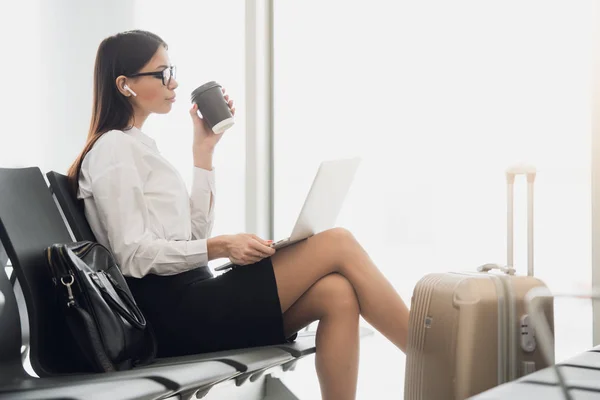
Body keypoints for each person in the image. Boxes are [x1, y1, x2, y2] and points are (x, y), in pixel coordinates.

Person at [68, 30, 410, 400]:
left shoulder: (139, 147)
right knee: (337, 242)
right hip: (173, 315)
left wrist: (204, 151)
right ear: (125, 85)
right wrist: (220, 247)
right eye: (162, 73)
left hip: (194, 297)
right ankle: (438, 359)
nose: (174, 82)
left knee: (337, 293)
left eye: (173, 70)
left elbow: (193, 232)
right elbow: (131, 256)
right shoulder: (113, 148)